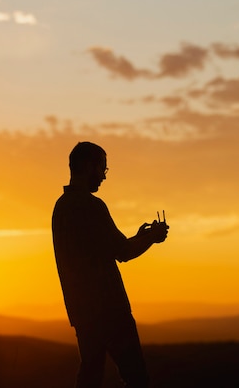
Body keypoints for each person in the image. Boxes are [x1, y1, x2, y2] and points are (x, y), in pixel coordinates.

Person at [52, 141, 168, 388]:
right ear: (87, 166)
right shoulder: (91, 205)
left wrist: (140, 237)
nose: (104, 177)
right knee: (136, 378)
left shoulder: (60, 208)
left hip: (81, 311)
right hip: (109, 309)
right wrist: (153, 238)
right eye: (102, 168)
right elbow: (123, 252)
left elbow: (102, 248)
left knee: (90, 377)